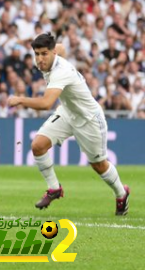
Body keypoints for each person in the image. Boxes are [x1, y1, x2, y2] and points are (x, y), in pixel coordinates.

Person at [7, 33, 130, 215]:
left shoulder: (61, 71)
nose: (40, 59)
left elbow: (46, 104)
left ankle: (121, 193)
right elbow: (62, 48)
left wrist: (19, 99)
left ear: (52, 52)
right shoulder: (53, 55)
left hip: (89, 119)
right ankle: (54, 188)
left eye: (44, 54)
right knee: (38, 146)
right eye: (37, 54)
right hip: (67, 112)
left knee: (98, 164)